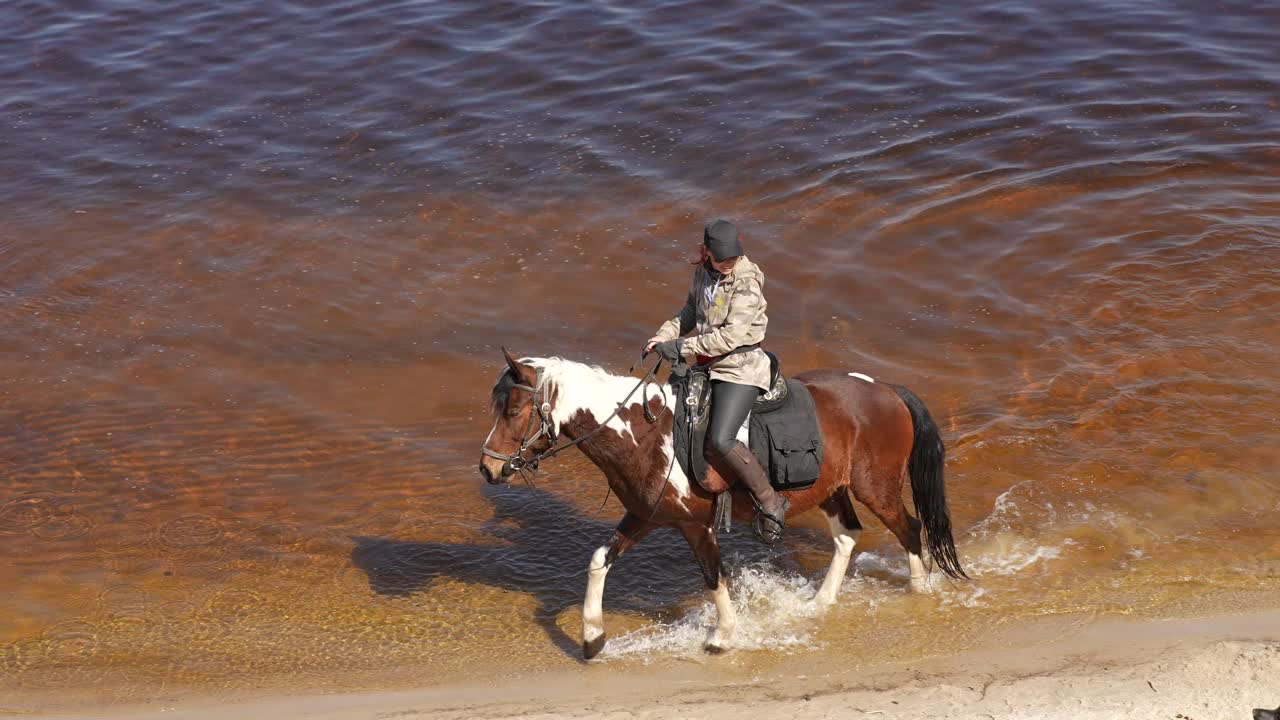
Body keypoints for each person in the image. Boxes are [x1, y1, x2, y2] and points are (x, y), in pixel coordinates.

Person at [645, 219, 790, 543]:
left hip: (740, 365)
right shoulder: (703, 273)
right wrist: (663, 336)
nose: (728, 264)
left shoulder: (747, 281)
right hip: (704, 362)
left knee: (723, 438)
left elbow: (731, 338)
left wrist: (682, 348)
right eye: (721, 259)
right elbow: (688, 313)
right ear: (706, 252)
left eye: (732, 259)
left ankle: (770, 500)